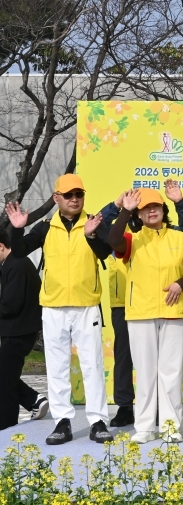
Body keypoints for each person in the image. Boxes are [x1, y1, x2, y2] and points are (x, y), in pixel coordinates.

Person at [5, 174, 114, 445]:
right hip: (53, 308)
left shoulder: (93, 223)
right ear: (57, 198)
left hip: (86, 306)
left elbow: (104, 253)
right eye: (68, 195)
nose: (74, 199)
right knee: (56, 367)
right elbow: (18, 252)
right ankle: (62, 422)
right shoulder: (45, 228)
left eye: (79, 194)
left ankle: (98, 421)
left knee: (92, 365)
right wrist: (17, 229)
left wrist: (91, 236)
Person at [96, 180, 183, 428]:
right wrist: (125, 209)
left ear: (163, 209)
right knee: (146, 373)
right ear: (139, 214)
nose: (152, 211)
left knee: (170, 373)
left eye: (156, 206)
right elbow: (112, 239)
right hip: (140, 313)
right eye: (145, 208)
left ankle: (171, 427)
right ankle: (144, 427)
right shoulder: (132, 239)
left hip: (173, 311)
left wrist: (179, 284)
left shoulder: (180, 237)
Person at [0, 230, 46, 430]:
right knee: (5, 376)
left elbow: (10, 304)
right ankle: (34, 400)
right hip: (15, 331)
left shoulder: (17, 264)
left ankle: (7, 426)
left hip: (18, 332)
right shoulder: (11, 264)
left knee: (4, 383)